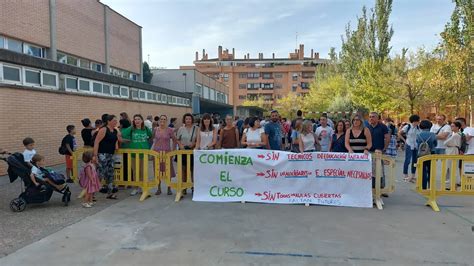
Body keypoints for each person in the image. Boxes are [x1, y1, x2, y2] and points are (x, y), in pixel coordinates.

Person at [122, 114, 153, 196]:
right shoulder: (131, 129)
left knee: (143, 172)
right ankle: (136, 188)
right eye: (135, 119)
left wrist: (146, 145)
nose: (137, 121)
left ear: (142, 120)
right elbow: (123, 134)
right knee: (135, 171)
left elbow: (150, 136)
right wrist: (130, 127)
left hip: (144, 154)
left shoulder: (145, 129)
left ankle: (142, 187)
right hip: (133, 154)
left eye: (139, 119)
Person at [93, 115, 120, 199]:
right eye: (114, 120)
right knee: (100, 174)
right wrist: (95, 156)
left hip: (111, 155)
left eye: (116, 121)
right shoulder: (104, 129)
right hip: (102, 155)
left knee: (110, 174)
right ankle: (91, 194)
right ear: (109, 121)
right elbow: (96, 142)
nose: (116, 122)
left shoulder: (115, 131)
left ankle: (110, 193)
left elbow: (116, 140)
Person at [152, 115, 177, 196]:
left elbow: (174, 140)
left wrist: (173, 151)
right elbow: (151, 139)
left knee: (168, 170)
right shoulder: (155, 129)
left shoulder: (170, 130)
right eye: (161, 119)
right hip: (156, 152)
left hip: (167, 152)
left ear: (166, 121)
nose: (162, 120)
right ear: (159, 120)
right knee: (157, 170)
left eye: (164, 119)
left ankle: (169, 188)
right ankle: (158, 188)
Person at [176, 113, 198, 195]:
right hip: (183, 151)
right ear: (184, 120)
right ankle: (184, 187)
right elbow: (177, 139)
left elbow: (198, 139)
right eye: (186, 119)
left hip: (192, 151)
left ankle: (194, 187)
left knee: (193, 170)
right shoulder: (181, 129)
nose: (188, 120)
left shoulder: (196, 128)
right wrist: (180, 145)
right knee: (183, 170)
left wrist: (194, 144)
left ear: (192, 119)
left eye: (189, 119)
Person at [399, 115, 421, 183]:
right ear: (414, 121)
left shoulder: (418, 128)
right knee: (407, 160)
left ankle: (413, 176)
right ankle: (405, 175)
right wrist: (404, 141)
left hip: (416, 146)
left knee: (415, 161)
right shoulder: (407, 126)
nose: (418, 122)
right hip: (409, 144)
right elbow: (399, 134)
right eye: (418, 121)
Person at [417, 120, 437, 190]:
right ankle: (430, 186)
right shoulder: (432, 134)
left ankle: (423, 186)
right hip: (431, 153)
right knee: (431, 170)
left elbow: (417, 144)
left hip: (421, 154)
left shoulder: (418, 134)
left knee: (423, 170)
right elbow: (435, 144)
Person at [444, 121, 462, 188]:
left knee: (452, 166)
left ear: (457, 127)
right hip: (451, 150)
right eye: (451, 126)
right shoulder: (454, 134)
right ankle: (454, 182)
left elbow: (446, 142)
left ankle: (454, 183)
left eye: (453, 126)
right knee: (451, 167)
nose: (451, 127)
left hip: (453, 150)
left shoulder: (456, 135)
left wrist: (446, 142)